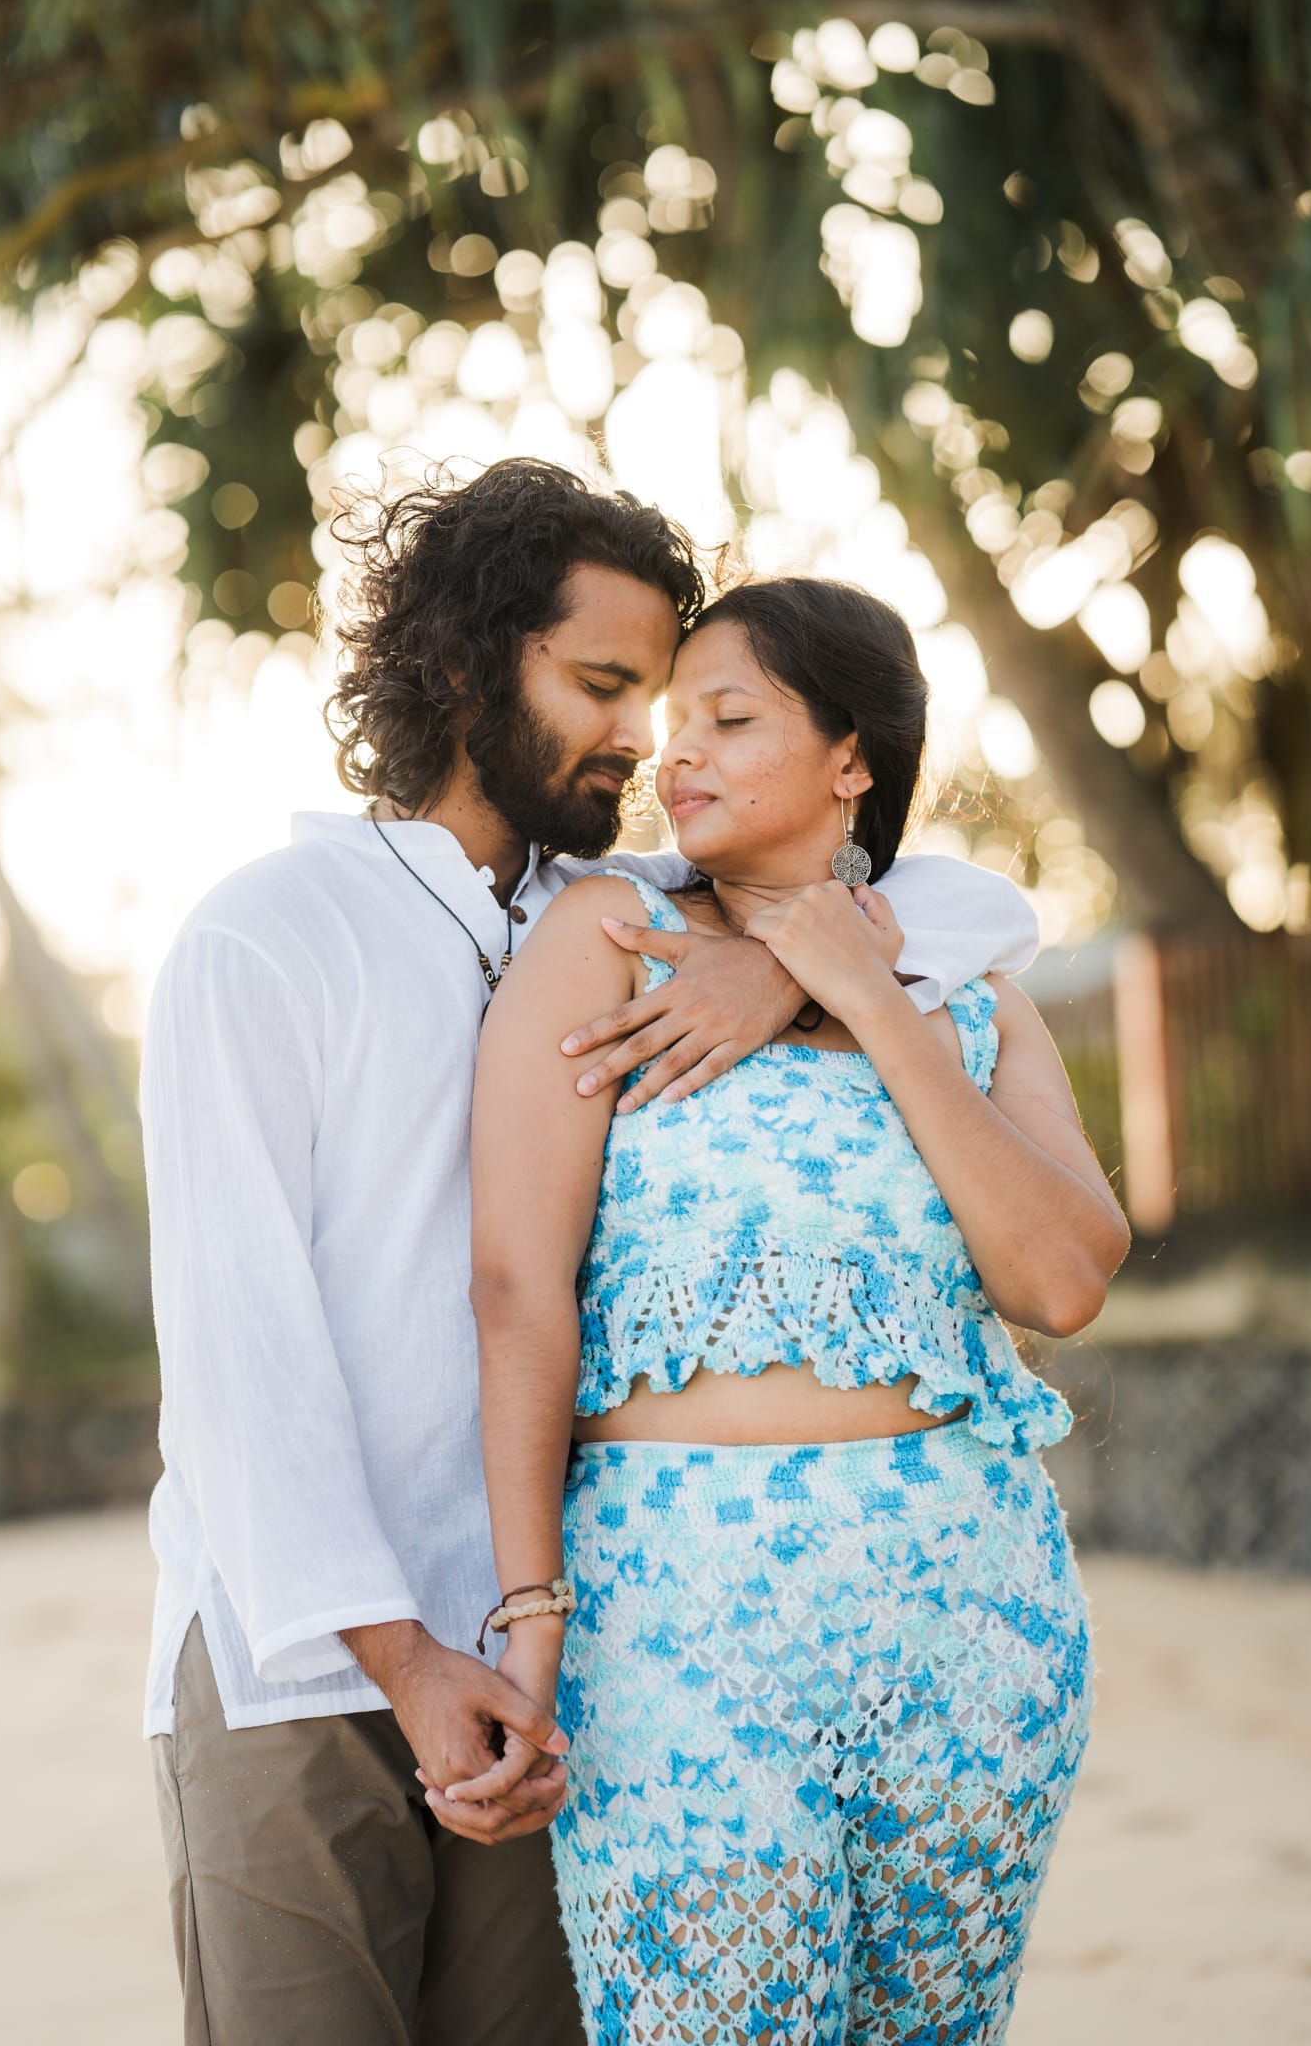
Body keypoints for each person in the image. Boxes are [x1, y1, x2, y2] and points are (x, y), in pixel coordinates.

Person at [141, 463, 1040, 2046]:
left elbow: (963, 905)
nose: (643, 739)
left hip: (559, 1660)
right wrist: (404, 1658)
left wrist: (780, 973)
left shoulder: (615, 906)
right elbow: (240, 1359)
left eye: (667, 698)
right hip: (309, 1663)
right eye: (602, 686)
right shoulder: (268, 932)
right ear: (460, 667)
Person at [463, 575, 1131, 2044]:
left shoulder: (969, 994)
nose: (674, 751)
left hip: (969, 1606)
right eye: (672, 720)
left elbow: (1063, 1279)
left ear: (852, 759)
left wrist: (869, 997)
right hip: (671, 1618)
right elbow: (515, 1288)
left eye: (729, 718)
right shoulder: (606, 935)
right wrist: (529, 1612)